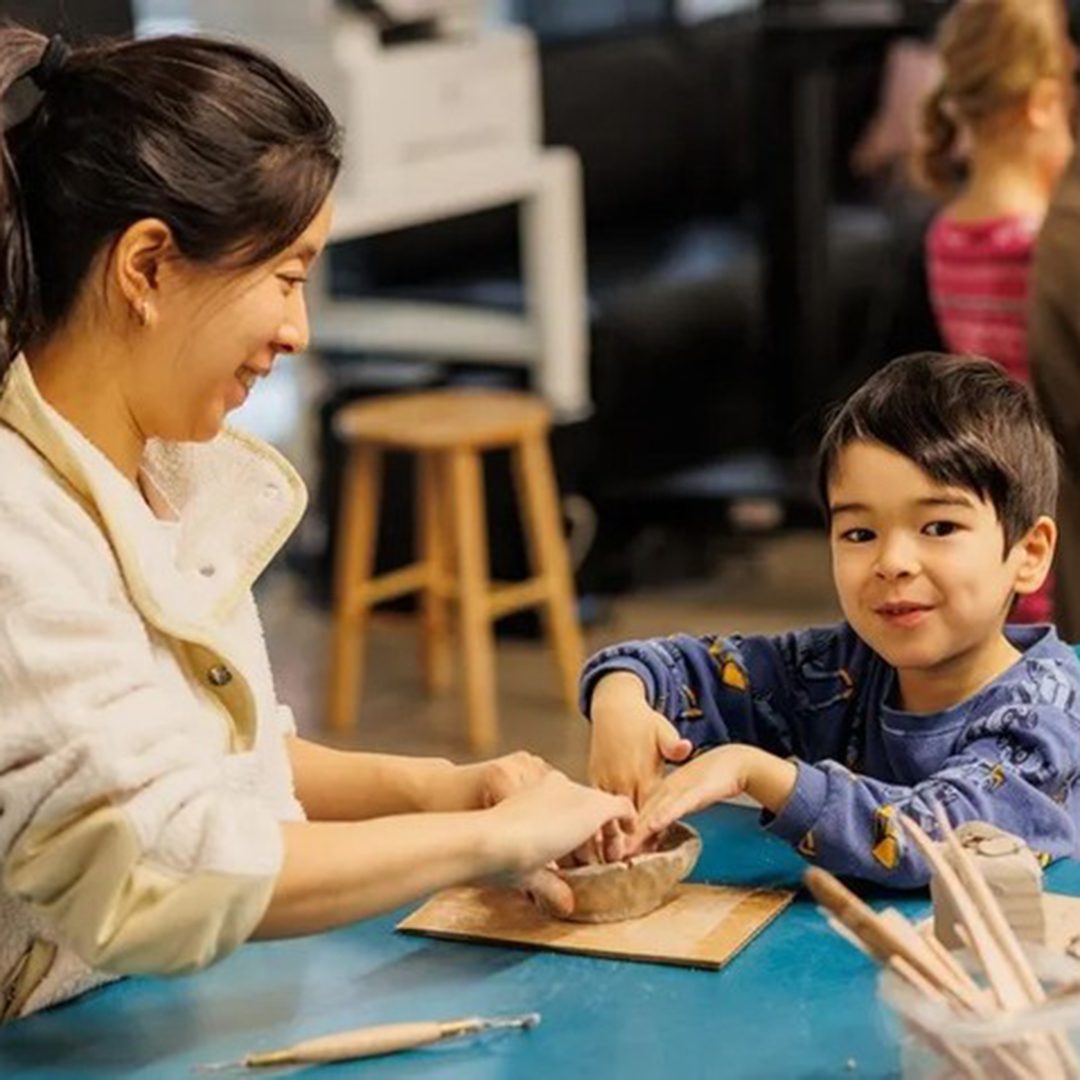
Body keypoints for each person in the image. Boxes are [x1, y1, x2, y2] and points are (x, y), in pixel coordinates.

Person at [0, 28, 634, 1021]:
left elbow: (214, 768)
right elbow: (151, 868)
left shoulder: (164, 474)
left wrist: (442, 791)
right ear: (150, 266)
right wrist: (479, 846)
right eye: (287, 278)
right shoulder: (16, 525)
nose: (297, 333)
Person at [582, 353, 1080, 888]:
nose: (892, 562)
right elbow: (692, 668)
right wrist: (621, 698)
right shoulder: (837, 670)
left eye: (938, 526)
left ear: (1030, 554)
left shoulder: (1044, 717)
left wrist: (756, 771)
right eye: (860, 534)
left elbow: (936, 838)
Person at [915, 0, 1075, 624]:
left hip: (992, 508)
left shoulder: (946, 234)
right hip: (1057, 520)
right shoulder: (1044, 244)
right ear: (1040, 104)